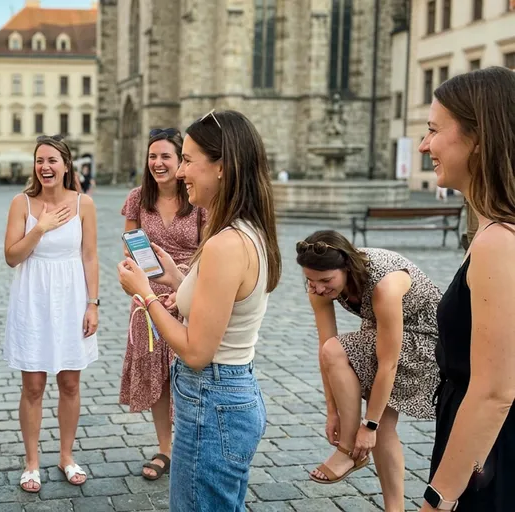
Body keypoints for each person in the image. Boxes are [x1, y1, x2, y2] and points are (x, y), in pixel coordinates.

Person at [117, 109, 280, 510]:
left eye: (187, 160)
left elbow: (194, 351)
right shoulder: (244, 230)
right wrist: (176, 279)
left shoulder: (225, 244)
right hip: (225, 393)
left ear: (221, 168)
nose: (180, 171)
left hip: (212, 398)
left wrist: (147, 293)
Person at [418, 67, 515, 512]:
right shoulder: (492, 232)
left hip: (489, 459)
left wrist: (438, 499)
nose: (424, 145)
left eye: (434, 130)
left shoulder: (499, 240)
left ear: (478, 137)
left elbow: (494, 391)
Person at [296, 230, 441, 511]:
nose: (319, 289)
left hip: (426, 341)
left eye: (326, 280)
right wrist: (332, 411)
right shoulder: (318, 285)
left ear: (347, 267)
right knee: (383, 428)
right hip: (381, 332)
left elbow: (388, 361)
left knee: (375, 424)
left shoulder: (384, 285)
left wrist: (368, 424)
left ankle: (348, 450)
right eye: (310, 281)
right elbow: (324, 347)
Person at [3, 135, 98, 492]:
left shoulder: (83, 204)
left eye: (52, 160)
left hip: (72, 297)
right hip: (32, 297)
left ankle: (66, 455)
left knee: (70, 382)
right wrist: (39, 228)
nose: (45, 167)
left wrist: (93, 303)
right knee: (33, 385)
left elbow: (90, 255)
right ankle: (31, 462)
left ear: (66, 165)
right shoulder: (21, 203)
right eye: (40, 160)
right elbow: (12, 256)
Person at [119, 128, 206, 480]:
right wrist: (131, 271)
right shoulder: (138, 198)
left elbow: (209, 249)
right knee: (157, 376)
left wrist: (182, 280)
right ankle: (165, 448)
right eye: (152, 156)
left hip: (189, 289)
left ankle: (191, 445)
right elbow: (128, 249)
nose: (157, 162)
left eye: (166, 156)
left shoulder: (198, 197)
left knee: (188, 371)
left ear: (181, 160)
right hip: (148, 295)